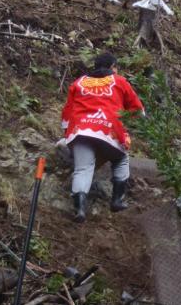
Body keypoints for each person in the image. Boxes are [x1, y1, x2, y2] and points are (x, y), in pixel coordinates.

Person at [61, 51, 144, 222]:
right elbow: (138, 110)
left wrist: (66, 134)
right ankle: (117, 200)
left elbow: (67, 113)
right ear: (113, 67)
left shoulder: (79, 82)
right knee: (121, 159)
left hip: (80, 130)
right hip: (109, 130)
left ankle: (80, 209)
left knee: (82, 169)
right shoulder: (119, 81)